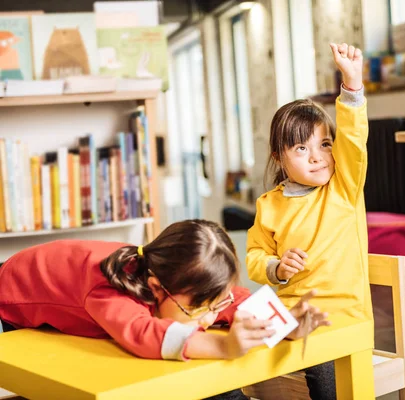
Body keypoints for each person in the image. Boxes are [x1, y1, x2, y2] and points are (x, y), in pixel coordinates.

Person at [0, 219, 328, 400]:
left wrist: (285, 324)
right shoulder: (107, 291)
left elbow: (234, 298)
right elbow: (143, 335)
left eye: (215, 305)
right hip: (9, 297)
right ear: (156, 288)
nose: (211, 319)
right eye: (199, 309)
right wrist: (223, 345)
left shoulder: (172, 276)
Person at [246, 42, 372, 400]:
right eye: (301, 148)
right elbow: (254, 258)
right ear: (279, 157)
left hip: (338, 316)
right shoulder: (268, 204)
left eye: (324, 145)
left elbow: (354, 140)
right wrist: (277, 267)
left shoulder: (344, 188)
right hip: (286, 312)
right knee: (233, 351)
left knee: (319, 359)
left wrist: (351, 85)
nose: (317, 158)